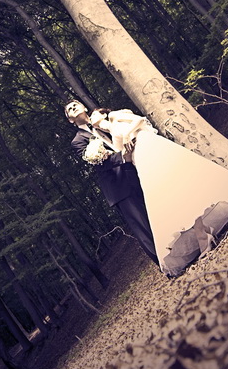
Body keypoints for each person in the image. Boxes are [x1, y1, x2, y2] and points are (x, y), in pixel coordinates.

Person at [87, 106, 228, 278]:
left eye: (94, 114)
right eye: (91, 118)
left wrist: (127, 136)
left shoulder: (115, 116)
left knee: (182, 183)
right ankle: (202, 234)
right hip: (141, 160)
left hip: (150, 147)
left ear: (103, 113)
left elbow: (139, 120)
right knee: (172, 195)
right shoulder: (111, 138)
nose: (92, 117)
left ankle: (208, 228)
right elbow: (123, 154)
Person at [64, 100, 158, 264]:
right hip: (118, 185)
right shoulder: (77, 141)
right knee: (142, 225)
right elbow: (97, 164)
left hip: (138, 167)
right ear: (71, 120)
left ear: (84, 107)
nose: (73, 108)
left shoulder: (102, 121)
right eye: (69, 110)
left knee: (156, 211)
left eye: (75, 105)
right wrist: (123, 157)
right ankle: (164, 264)